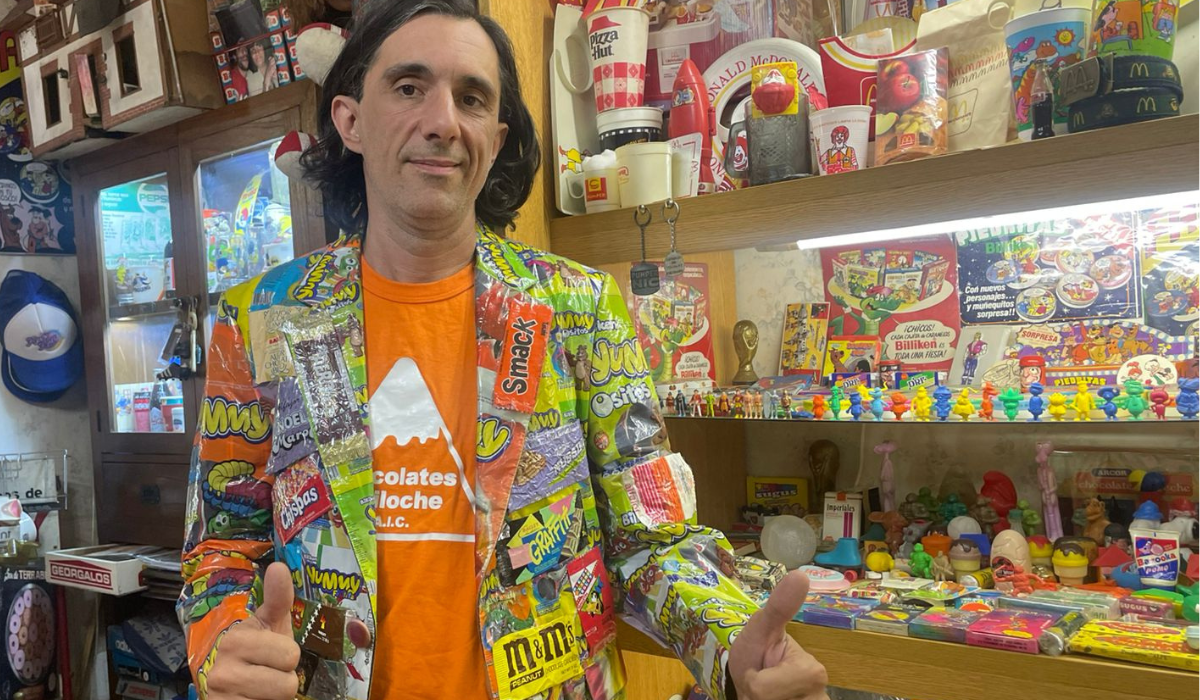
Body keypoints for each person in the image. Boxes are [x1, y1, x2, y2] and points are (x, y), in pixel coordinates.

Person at [178, 3, 829, 700]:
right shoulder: (261, 318)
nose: (442, 121)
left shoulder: (580, 308)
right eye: (408, 87)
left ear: (495, 137)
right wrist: (223, 639)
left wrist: (730, 640)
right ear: (351, 120)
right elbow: (221, 545)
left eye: (472, 98)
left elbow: (651, 541)